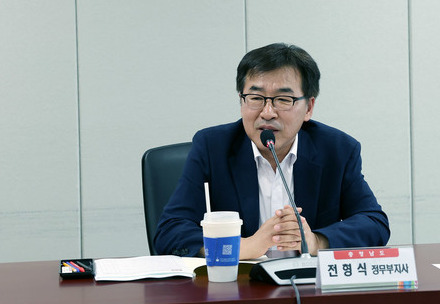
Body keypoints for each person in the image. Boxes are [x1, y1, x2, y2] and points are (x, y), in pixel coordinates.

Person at [154, 43, 390, 259]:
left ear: (308, 107)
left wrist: (316, 241)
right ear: (241, 100)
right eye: (256, 98)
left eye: (283, 99)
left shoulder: (337, 150)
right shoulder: (212, 147)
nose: (267, 112)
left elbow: (374, 223)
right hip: (236, 284)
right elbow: (170, 232)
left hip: (309, 285)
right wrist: (242, 247)